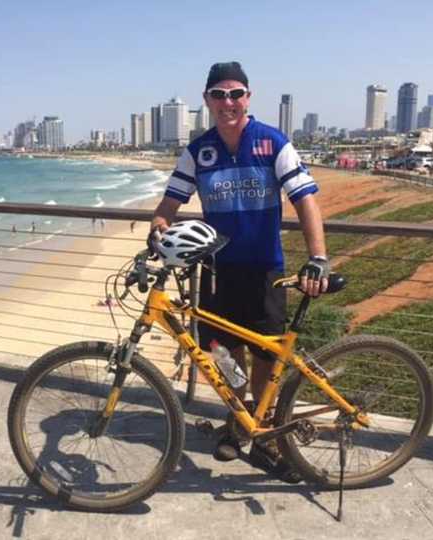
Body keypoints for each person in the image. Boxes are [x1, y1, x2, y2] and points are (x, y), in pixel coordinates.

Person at [150, 61, 329, 483]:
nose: (228, 102)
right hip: (217, 272)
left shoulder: (272, 142)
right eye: (219, 94)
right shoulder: (200, 150)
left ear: (248, 97)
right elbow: (169, 203)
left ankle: (265, 437)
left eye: (236, 94)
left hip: (266, 269)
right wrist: (158, 230)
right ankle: (239, 421)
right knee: (222, 354)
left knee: (267, 355)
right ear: (207, 100)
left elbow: (305, 200)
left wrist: (318, 256)